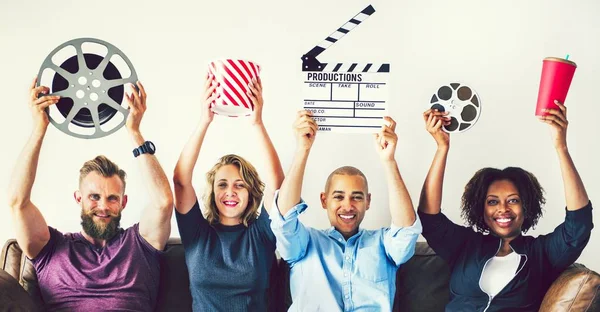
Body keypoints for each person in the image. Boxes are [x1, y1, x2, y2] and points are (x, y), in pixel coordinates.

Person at [7, 79, 174, 311]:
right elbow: (18, 202)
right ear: (79, 198)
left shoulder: (139, 245)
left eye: (112, 198)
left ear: (124, 202)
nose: (103, 206)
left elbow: (163, 202)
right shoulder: (51, 248)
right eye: (94, 197)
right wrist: (39, 129)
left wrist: (134, 132)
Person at [418, 103, 594, 311]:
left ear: (526, 205)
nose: (503, 209)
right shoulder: (465, 245)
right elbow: (429, 217)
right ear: (481, 209)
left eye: (513, 200)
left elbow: (579, 225)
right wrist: (442, 147)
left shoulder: (542, 253)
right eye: (492, 201)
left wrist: (561, 147)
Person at [271, 111, 422, 311]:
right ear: (324, 200)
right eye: (339, 196)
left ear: (368, 202)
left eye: (357, 197)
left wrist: (389, 161)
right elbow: (283, 219)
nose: (348, 205)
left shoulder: (384, 244)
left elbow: (406, 230)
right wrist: (302, 149)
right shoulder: (305, 243)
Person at [172, 75, 284, 311]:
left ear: (251, 192)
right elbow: (181, 181)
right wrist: (204, 120)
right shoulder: (197, 233)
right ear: (213, 192)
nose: (230, 191)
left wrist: (257, 123)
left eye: (239, 185)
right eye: (222, 184)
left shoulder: (261, 234)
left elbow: (277, 184)